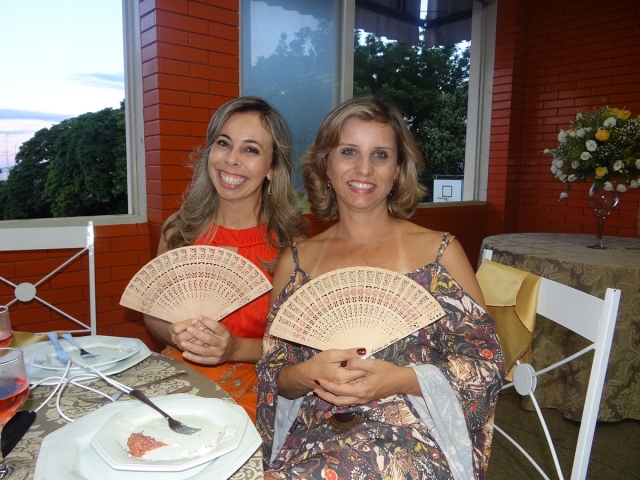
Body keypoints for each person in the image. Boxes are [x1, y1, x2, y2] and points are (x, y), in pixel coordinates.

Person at [256, 96, 504, 480]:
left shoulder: (440, 254)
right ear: (325, 165)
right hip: (315, 436)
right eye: (349, 151)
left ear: (398, 170)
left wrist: (401, 379)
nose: (364, 168)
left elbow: (485, 368)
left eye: (381, 155)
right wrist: (308, 374)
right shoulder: (296, 263)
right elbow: (274, 375)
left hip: (413, 440)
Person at [144, 96, 306, 422]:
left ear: (272, 168)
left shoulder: (292, 249)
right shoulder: (179, 232)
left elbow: (298, 349)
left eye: (251, 150)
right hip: (174, 383)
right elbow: (151, 314)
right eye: (223, 143)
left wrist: (235, 349)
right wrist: (173, 332)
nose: (231, 159)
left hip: (253, 393)